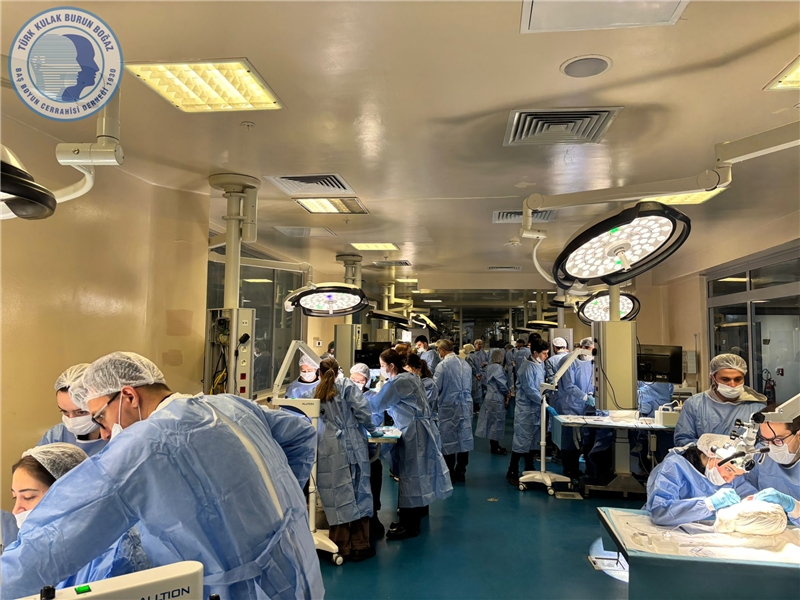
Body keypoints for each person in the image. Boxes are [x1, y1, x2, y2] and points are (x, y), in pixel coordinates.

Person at [1, 352, 323, 600]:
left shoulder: (142, 445)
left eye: (100, 417)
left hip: (239, 589)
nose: (104, 433)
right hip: (297, 565)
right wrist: (274, 501)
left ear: (129, 396)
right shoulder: (230, 405)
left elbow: (52, 544)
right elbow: (301, 434)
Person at [10, 443, 151, 589]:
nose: (16, 510)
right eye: (15, 497)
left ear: (68, 494)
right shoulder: (43, 546)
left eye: (28, 497)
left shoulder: (113, 554)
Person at [369, 349, 452, 539]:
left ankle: (410, 525)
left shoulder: (399, 382)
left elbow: (376, 405)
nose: (381, 369)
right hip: (418, 429)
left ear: (391, 366)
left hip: (414, 432)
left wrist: (355, 399)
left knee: (411, 477)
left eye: (382, 366)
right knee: (417, 475)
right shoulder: (410, 377)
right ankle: (414, 517)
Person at [315, 358, 378, 562]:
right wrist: (373, 431)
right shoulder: (346, 386)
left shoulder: (315, 391)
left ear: (319, 374)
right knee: (359, 492)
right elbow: (362, 411)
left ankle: (340, 546)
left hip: (328, 447)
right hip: (352, 444)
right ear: (338, 371)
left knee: (337, 494)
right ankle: (360, 544)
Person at [645, 433, 748, 526]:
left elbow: (747, 494)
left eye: (736, 475)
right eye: (728, 469)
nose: (729, 480)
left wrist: (754, 500)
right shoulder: (674, 467)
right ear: (711, 455)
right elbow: (660, 512)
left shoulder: (732, 475)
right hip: (665, 530)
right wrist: (708, 504)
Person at [674, 353, 767, 447]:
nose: (732, 384)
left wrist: (747, 451)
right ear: (713, 378)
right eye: (725, 379)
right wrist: (706, 448)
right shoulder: (695, 404)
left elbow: (766, 443)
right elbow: (683, 440)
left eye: (738, 379)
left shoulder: (757, 408)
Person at [736, 403, 800, 526]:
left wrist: (794, 507)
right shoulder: (760, 454)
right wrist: (750, 501)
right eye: (766, 440)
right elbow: (744, 485)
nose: (770, 447)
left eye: (778, 440)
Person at [349, 363, 385, 542]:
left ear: (368, 381)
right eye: (353, 380)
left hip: (368, 449)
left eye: (360, 380)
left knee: (374, 473)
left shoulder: (373, 398)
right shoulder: (344, 396)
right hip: (349, 449)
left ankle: (373, 515)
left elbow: (375, 421)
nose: (356, 383)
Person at [506, 339, 550, 486]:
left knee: (532, 441)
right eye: (544, 353)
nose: (546, 356)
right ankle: (512, 471)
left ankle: (529, 467)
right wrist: (544, 402)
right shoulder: (526, 368)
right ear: (535, 353)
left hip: (536, 409)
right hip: (526, 410)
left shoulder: (540, 364)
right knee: (522, 441)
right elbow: (530, 390)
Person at [38, 364, 107, 457]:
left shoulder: (120, 435)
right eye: (65, 412)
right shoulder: (56, 436)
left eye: (81, 412)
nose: (71, 420)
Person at [554, 337, 595, 480]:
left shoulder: (590, 362)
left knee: (582, 439)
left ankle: (578, 468)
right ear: (583, 348)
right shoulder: (568, 361)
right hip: (569, 405)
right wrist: (584, 397)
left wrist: (591, 394)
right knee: (570, 439)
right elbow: (568, 385)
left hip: (584, 406)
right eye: (591, 350)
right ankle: (569, 470)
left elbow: (591, 381)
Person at [434, 340, 474, 483]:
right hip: (465, 406)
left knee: (448, 439)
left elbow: (435, 388)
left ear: (442, 350)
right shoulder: (465, 364)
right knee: (464, 438)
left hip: (449, 407)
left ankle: (449, 472)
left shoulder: (443, 365)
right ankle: (461, 471)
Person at [475, 349, 510, 456]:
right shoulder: (498, 368)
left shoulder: (488, 368)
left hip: (489, 397)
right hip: (497, 397)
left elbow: (483, 382)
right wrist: (507, 393)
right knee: (496, 422)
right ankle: (495, 447)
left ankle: (494, 445)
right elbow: (502, 384)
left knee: (491, 422)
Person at [463, 343, 483, 412]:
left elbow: (471, 367)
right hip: (477, 377)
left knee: (472, 392)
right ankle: (477, 408)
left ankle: (474, 409)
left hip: (472, 376)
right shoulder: (476, 356)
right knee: (477, 392)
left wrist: (476, 374)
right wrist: (479, 374)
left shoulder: (468, 357)